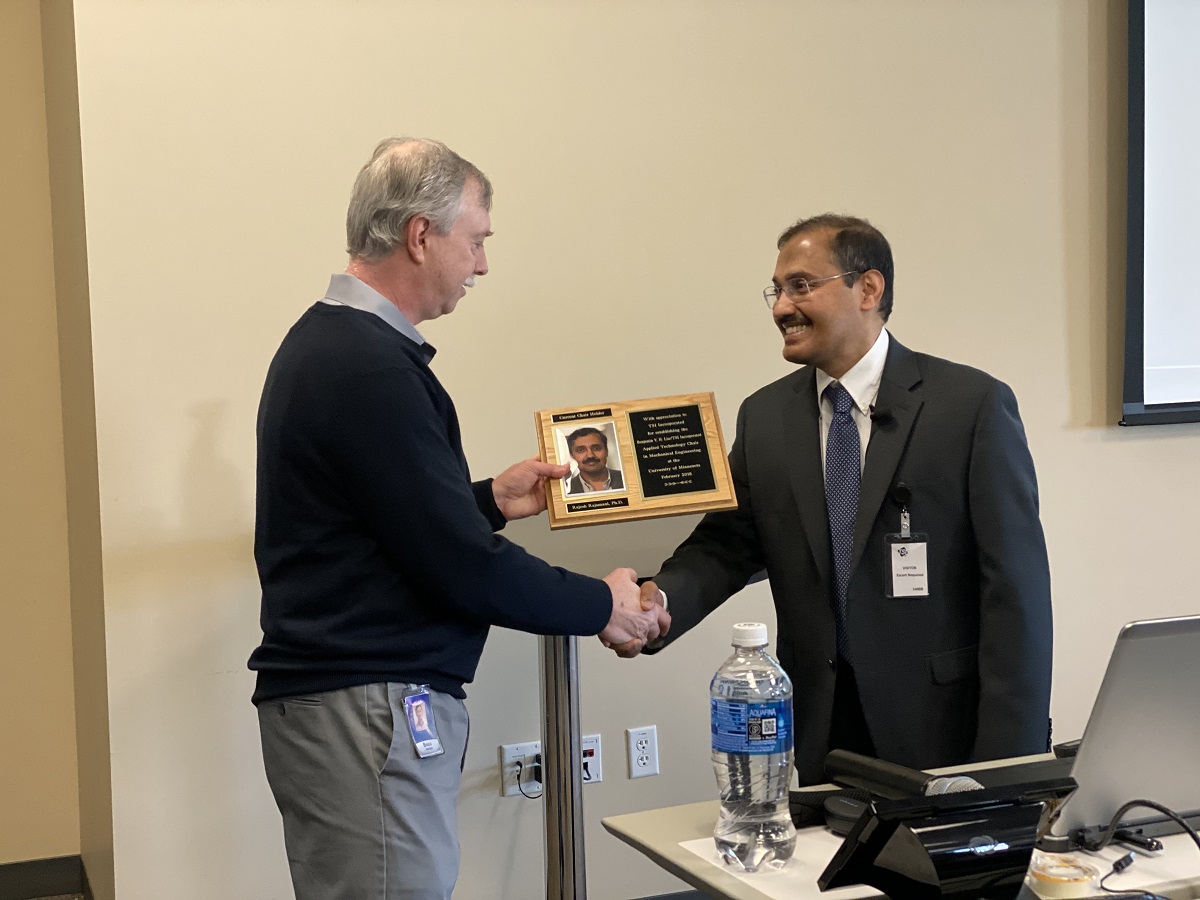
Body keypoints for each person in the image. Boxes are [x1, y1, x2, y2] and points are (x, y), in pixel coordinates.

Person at [249, 137, 668, 900]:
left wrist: (486, 502)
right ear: (420, 235)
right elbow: (461, 566)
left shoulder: (339, 347)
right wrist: (602, 604)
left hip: (353, 707)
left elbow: (386, 524)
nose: (483, 264)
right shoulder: (367, 366)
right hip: (365, 710)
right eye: (475, 241)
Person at [623, 214, 1052, 786]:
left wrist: (1010, 763)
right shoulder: (765, 416)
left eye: (801, 286)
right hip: (823, 731)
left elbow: (1016, 593)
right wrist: (656, 604)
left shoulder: (970, 406)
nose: (781, 308)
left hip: (943, 729)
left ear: (868, 289)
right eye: (777, 290)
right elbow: (728, 544)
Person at [564, 426, 624, 494]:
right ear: (572, 456)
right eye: (581, 450)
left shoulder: (627, 478)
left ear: (606, 451)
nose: (590, 455)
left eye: (596, 448)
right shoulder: (566, 491)